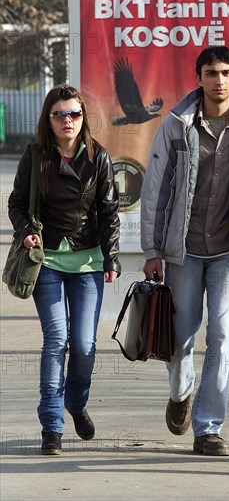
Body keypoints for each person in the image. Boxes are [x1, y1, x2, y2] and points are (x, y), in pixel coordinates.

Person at [140, 46, 229, 456]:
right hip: (183, 250)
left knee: (223, 335)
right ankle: (181, 393)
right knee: (180, 337)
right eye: (211, 72)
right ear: (198, 77)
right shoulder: (178, 124)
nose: (219, 80)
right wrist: (152, 249)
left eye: (226, 72)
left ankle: (208, 427)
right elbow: (156, 189)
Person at [8, 85, 121, 456]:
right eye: (60, 114)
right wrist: (26, 232)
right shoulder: (35, 156)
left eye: (74, 113)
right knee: (56, 340)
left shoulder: (98, 157)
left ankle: (75, 401)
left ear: (83, 117)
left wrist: (112, 257)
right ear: (49, 118)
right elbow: (17, 203)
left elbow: (108, 212)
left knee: (85, 345)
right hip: (48, 262)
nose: (68, 121)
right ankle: (51, 426)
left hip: (88, 262)